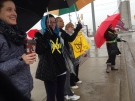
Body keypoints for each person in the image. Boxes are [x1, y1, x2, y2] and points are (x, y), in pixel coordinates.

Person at [0, 0, 36, 99]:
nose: (14, 13)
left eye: (15, 10)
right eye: (9, 10)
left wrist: (26, 50)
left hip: (25, 90)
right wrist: (21, 60)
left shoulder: (16, 34)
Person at [34, 14, 67, 101]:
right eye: (49, 22)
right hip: (50, 71)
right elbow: (39, 50)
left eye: (53, 22)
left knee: (60, 94)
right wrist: (46, 36)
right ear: (44, 23)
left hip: (61, 70)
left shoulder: (57, 34)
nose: (52, 24)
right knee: (51, 96)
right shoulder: (39, 35)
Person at [56, 17, 82, 100]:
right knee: (66, 75)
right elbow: (71, 39)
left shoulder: (61, 31)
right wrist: (77, 29)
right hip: (64, 56)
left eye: (63, 21)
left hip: (65, 55)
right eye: (60, 21)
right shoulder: (60, 32)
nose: (62, 22)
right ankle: (68, 93)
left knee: (65, 75)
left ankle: (65, 92)